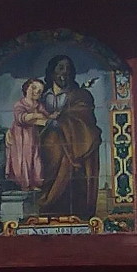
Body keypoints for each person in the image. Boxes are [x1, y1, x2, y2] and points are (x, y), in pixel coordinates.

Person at [39, 55, 102, 218]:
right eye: (60, 68)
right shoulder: (41, 97)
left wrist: (61, 121)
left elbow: (85, 118)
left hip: (73, 149)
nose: (64, 73)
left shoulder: (81, 95)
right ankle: (45, 204)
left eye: (68, 70)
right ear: (51, 73)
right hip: (45, 151)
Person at [5, 78, 53, 191]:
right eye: (34, 88)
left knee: (35, 157)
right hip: (20, 136)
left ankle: (35, 182)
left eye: (40, 91)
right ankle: (24, 184)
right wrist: (36, 116)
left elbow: (46, 116)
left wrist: (50, 116)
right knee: (23, 158)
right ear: (27, 88)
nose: (36, 91)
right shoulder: (20, 104)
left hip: (32, 135)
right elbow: (21, 118)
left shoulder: (38, 105)